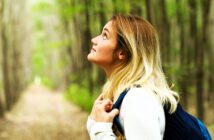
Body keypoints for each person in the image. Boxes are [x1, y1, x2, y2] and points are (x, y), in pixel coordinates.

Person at [86, 14, 179, 140]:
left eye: (105, 35)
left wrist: (100, 130)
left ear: (122, 53)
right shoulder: (124, 94)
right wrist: (94, 123)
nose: (94, 39)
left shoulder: (138, 100)